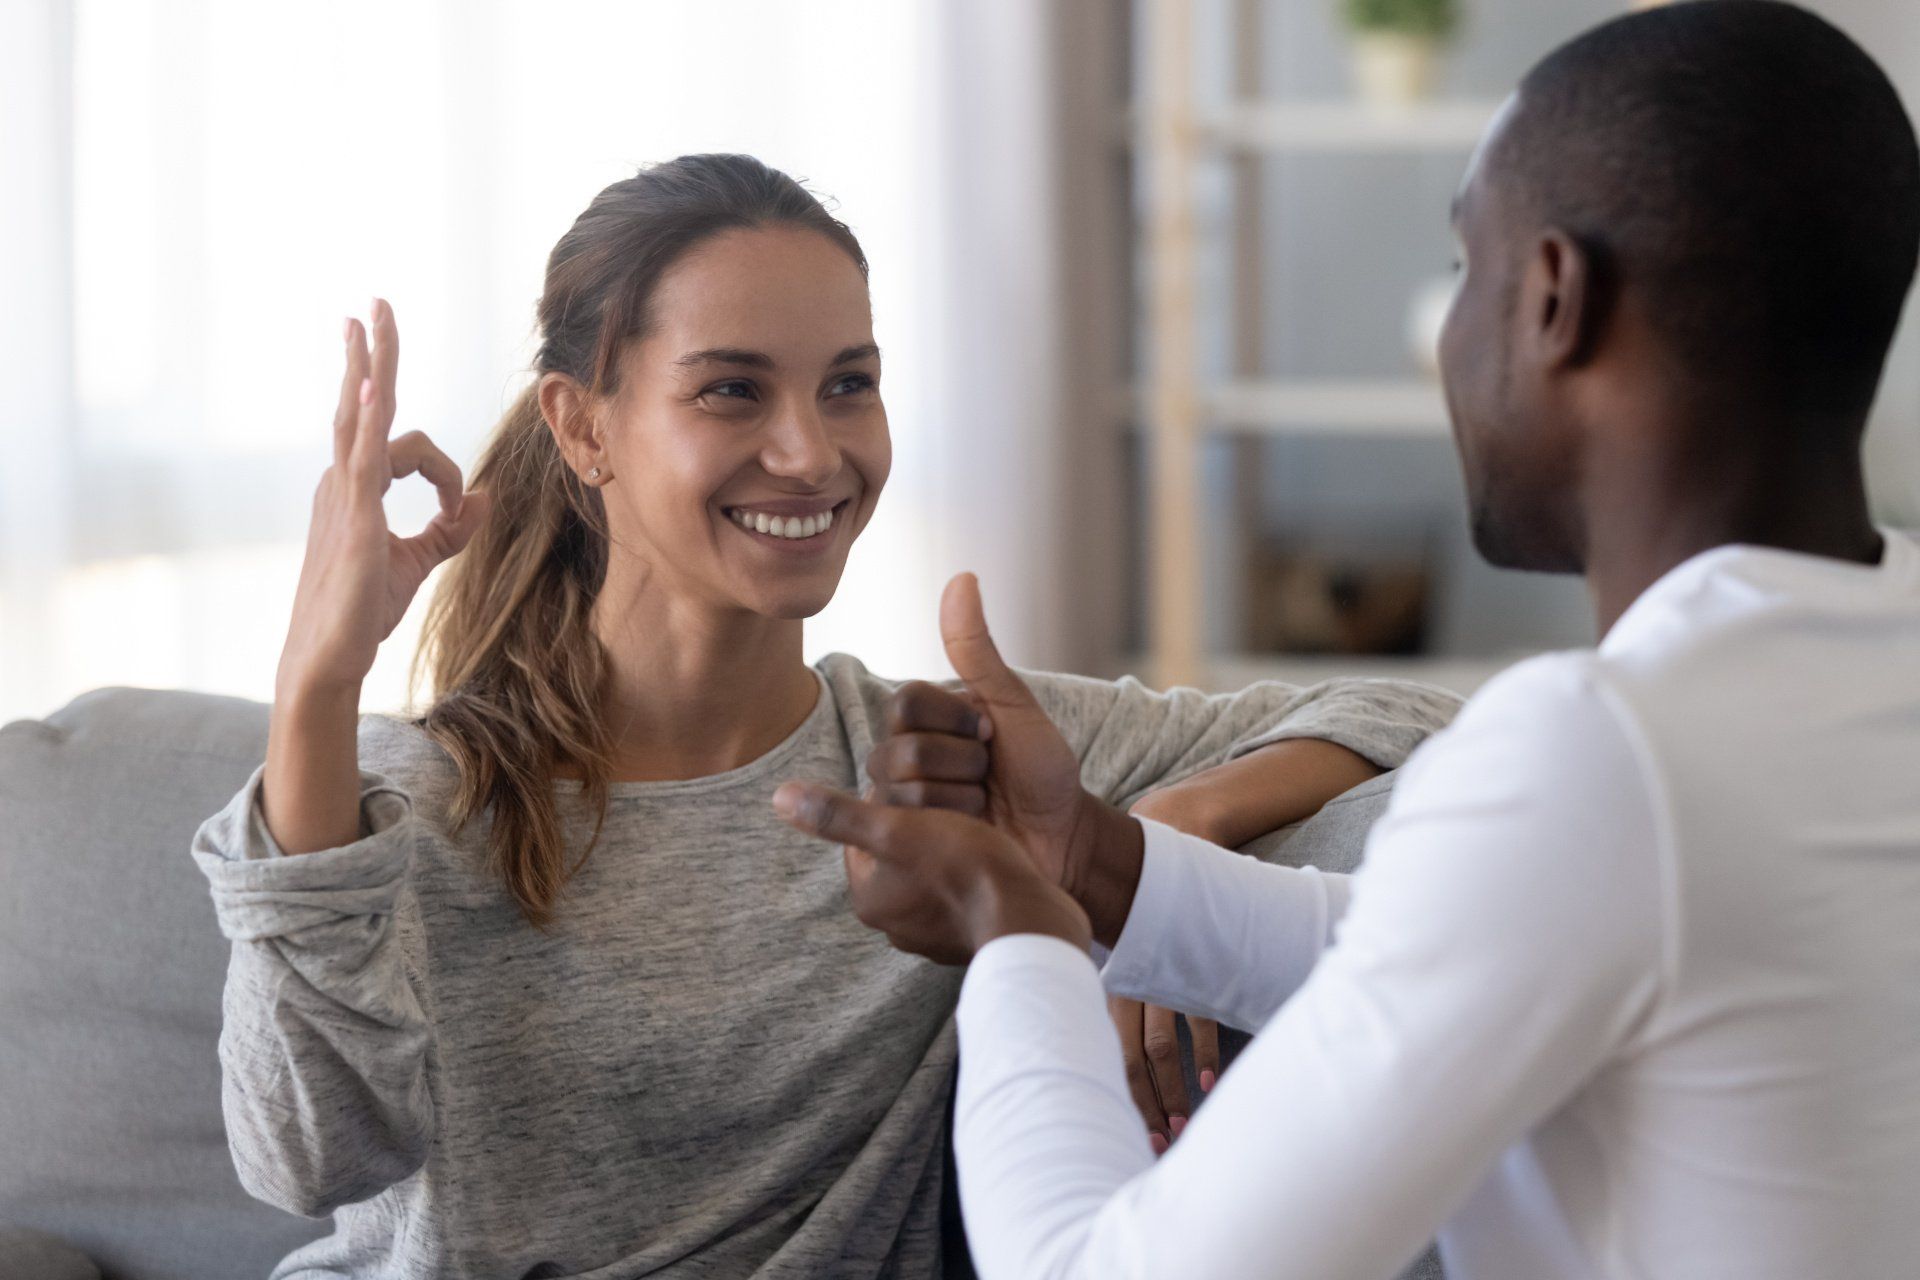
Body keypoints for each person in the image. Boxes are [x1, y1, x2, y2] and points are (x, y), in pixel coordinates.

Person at [773, 4, 1920, 1277]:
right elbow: (1439, 941)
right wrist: (1091, 859)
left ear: (1553, 299)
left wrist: (1014, 927)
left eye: (1463, 273)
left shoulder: (1606, 750)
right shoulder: (1868, 657)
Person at [188, 153, 1459, 1278]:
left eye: (848, 384)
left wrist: (1142, 850)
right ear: (585, 427)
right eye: (732, 391)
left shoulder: (931, 763)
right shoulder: (422, 796)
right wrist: (317, 688)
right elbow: (309, 1158)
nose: (810, 451)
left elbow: (1407, 711)